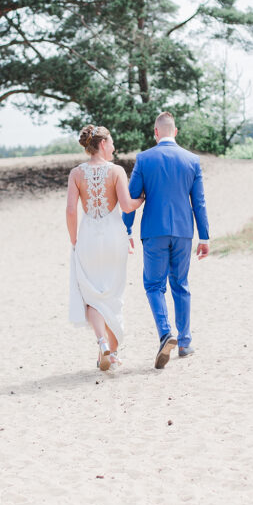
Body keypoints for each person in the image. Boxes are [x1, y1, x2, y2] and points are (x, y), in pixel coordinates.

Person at [122, 112, 210, 369]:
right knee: (180, 284)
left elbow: (131, 198)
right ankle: (184, 342)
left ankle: (165, 333)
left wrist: (126, 230)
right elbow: (199, 202)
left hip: (154, 231)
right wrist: (204, 236)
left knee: (153, 285)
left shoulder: (144, 159)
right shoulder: (191, 160)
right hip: (183, 231)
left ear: (156, 132)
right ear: (176, 131)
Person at [66, 125, 144, 371]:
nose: (113, 147)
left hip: (88, 237)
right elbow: (127, 206)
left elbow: (70, 210)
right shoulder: (116, 171)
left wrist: (74, 241)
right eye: (111, 143)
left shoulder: (76, 174)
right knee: (112, 295)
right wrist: (142, 197)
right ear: (102, 144)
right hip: (114, 238)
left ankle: (103, 344)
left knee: (91, 296)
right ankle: (113, 350)